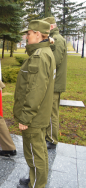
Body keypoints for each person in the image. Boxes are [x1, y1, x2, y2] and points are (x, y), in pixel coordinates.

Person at [14, 20, 56, 188]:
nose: (26, 36)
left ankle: (37, 184)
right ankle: (34, 179)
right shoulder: (44, 53)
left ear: (38, 34)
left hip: (34, 116)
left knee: (34, 151)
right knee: (38, 149)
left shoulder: (39, 56)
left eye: (29, 33)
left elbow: (35, 90)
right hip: (39, 114)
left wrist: (25, 118)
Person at [42, 17, 67, 149]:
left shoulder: (56, 40)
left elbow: (55, 62)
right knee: (49, 110)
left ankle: (52, 139)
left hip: (54, 82)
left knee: (52, 112)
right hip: (53, 81)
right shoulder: (54, 38)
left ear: (51, 27)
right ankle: (48, 136)